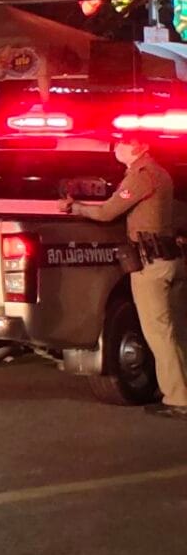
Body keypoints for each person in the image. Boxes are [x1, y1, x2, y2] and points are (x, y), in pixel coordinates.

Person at [66, 134, 185, 418]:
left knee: (159, 332)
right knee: (175, 330)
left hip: (151, 264)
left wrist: (76, 207)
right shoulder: (158, 173)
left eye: (124, 143)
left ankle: (178, 399)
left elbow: (108, 212)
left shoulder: (143, 175)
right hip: (167, 259)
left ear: (140, 147)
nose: (117, 147)